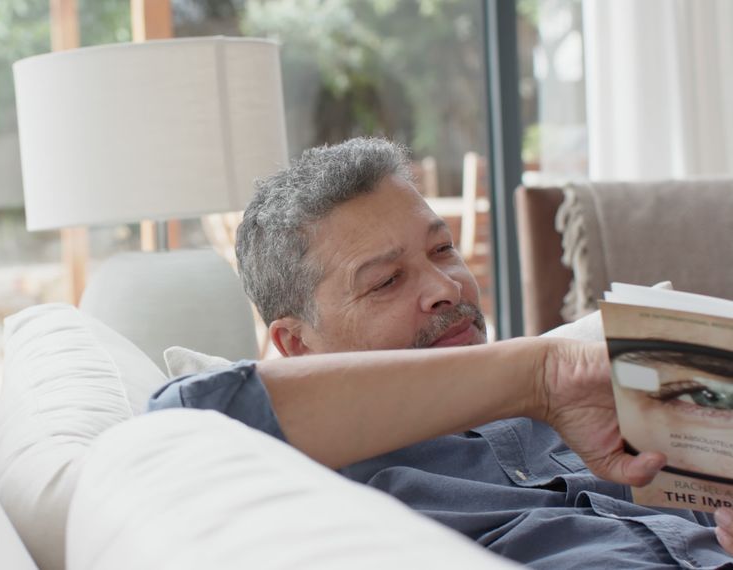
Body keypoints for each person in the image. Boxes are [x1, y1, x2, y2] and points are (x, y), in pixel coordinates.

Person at [148, 137, 733, 568]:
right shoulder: (319, 474)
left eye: (443, 249)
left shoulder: (602, 395)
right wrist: (539, 375)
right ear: (297, 345)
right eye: (385, 282)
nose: (447, 289)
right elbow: (178, 428)